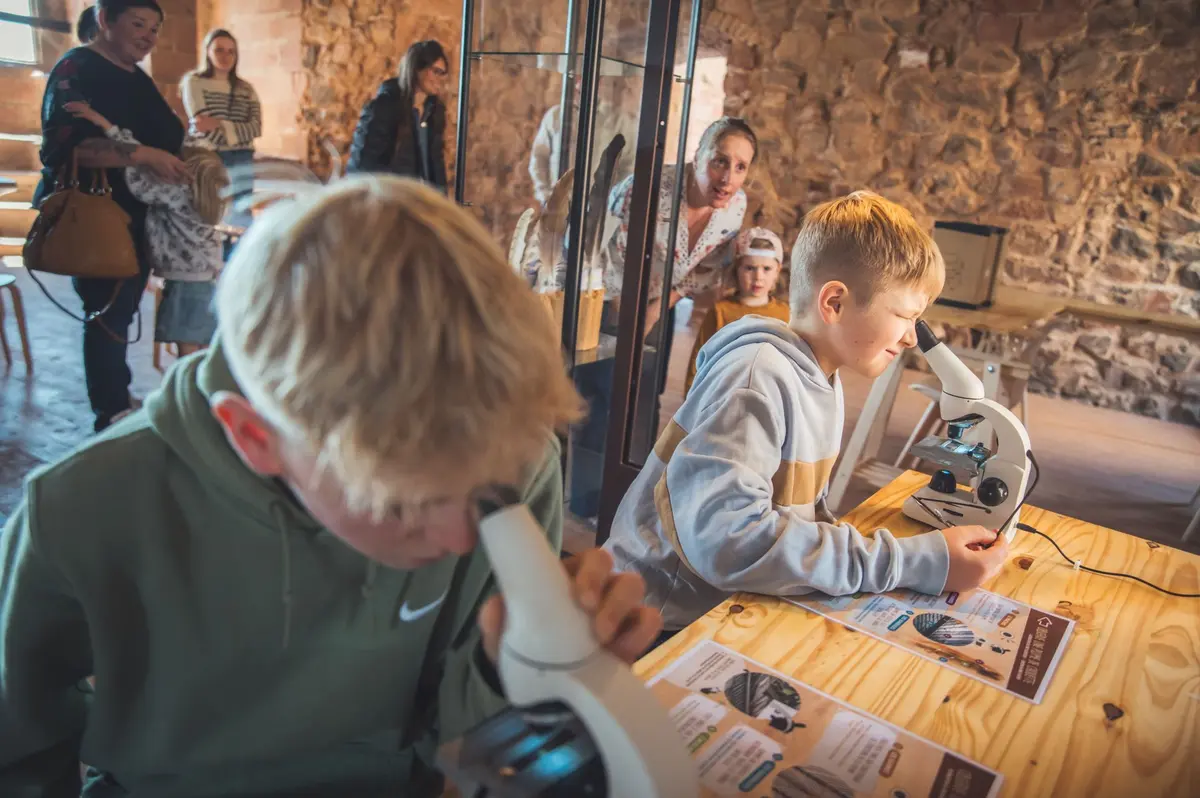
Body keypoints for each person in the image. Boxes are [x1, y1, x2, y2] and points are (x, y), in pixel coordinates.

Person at [0, 176, 662, 796]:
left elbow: (466, 741)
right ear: (256, 438)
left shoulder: (521, 466)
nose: (463, 537)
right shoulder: (79, 511)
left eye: (488, 488)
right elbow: (18, 746)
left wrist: (511, 665)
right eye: (404, 503)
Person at [604, 191, 1010, 642]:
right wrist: (911, 562)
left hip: (720, 604)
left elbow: (793, 517)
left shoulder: (821, 377)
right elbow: (727, 541)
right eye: (904, 315)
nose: (912, 337)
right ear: (834, 303)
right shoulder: (756, 377)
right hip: (651, 621)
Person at [36, 0, 189, 432]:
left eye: (155, 29)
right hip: (97, 213)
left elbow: (166, 133)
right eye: (138, 24)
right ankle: (110, 410)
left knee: (120, 310)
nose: (149, 36)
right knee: (106, 310)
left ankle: (117, 395)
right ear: (105, 20)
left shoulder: (135, 75)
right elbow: (64, 150)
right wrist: (141, 154)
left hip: (140, 212)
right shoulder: (75, 69)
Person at [66, 101, 222, 356]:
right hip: (207, 282)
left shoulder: (174, 193)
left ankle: (184, 395)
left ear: (182, 170)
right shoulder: (212, 196)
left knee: (187, 354)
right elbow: (202, 158)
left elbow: (133, 166)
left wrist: (104, 123)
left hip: (184, 285)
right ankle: (198, 393)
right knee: (200, 349)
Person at [684, 226, 790, 394]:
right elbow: (699, 360)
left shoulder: (786, 315)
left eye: (766, 269)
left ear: (777, 272)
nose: (758, 277)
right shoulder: (721, 311)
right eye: (749, 268)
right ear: (736, 270)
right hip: (724, 397)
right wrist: (691, 400)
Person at [347, 40, 450, 191]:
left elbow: (435, 163)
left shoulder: (435, 111)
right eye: (436, 71)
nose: (440, 79)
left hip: (418, 201)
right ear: (416, 69)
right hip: (390, 201)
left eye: (443, 73)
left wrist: (441, 202)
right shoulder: (384, 107)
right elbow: (363, 166)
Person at [181, 28, 263, 190]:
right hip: (209, 154)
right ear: (208, 52)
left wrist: (219, 123)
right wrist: (236, 131)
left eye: (231, 52)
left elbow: (256, 128)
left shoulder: (246, 89)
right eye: (219, 50)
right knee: (211, 209)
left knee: (242, 209)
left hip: (243, 156)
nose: (225, 56)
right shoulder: (194, 82)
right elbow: (201, 124)